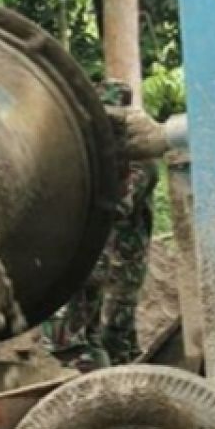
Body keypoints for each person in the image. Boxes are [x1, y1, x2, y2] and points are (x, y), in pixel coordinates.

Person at [40, 79, 161, 370]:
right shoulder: (92, 154)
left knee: (87, 337)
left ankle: (105, 381)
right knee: (85, 334)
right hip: (91, 257)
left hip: (115, 257)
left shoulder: (136, 160)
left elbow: (119, 206)